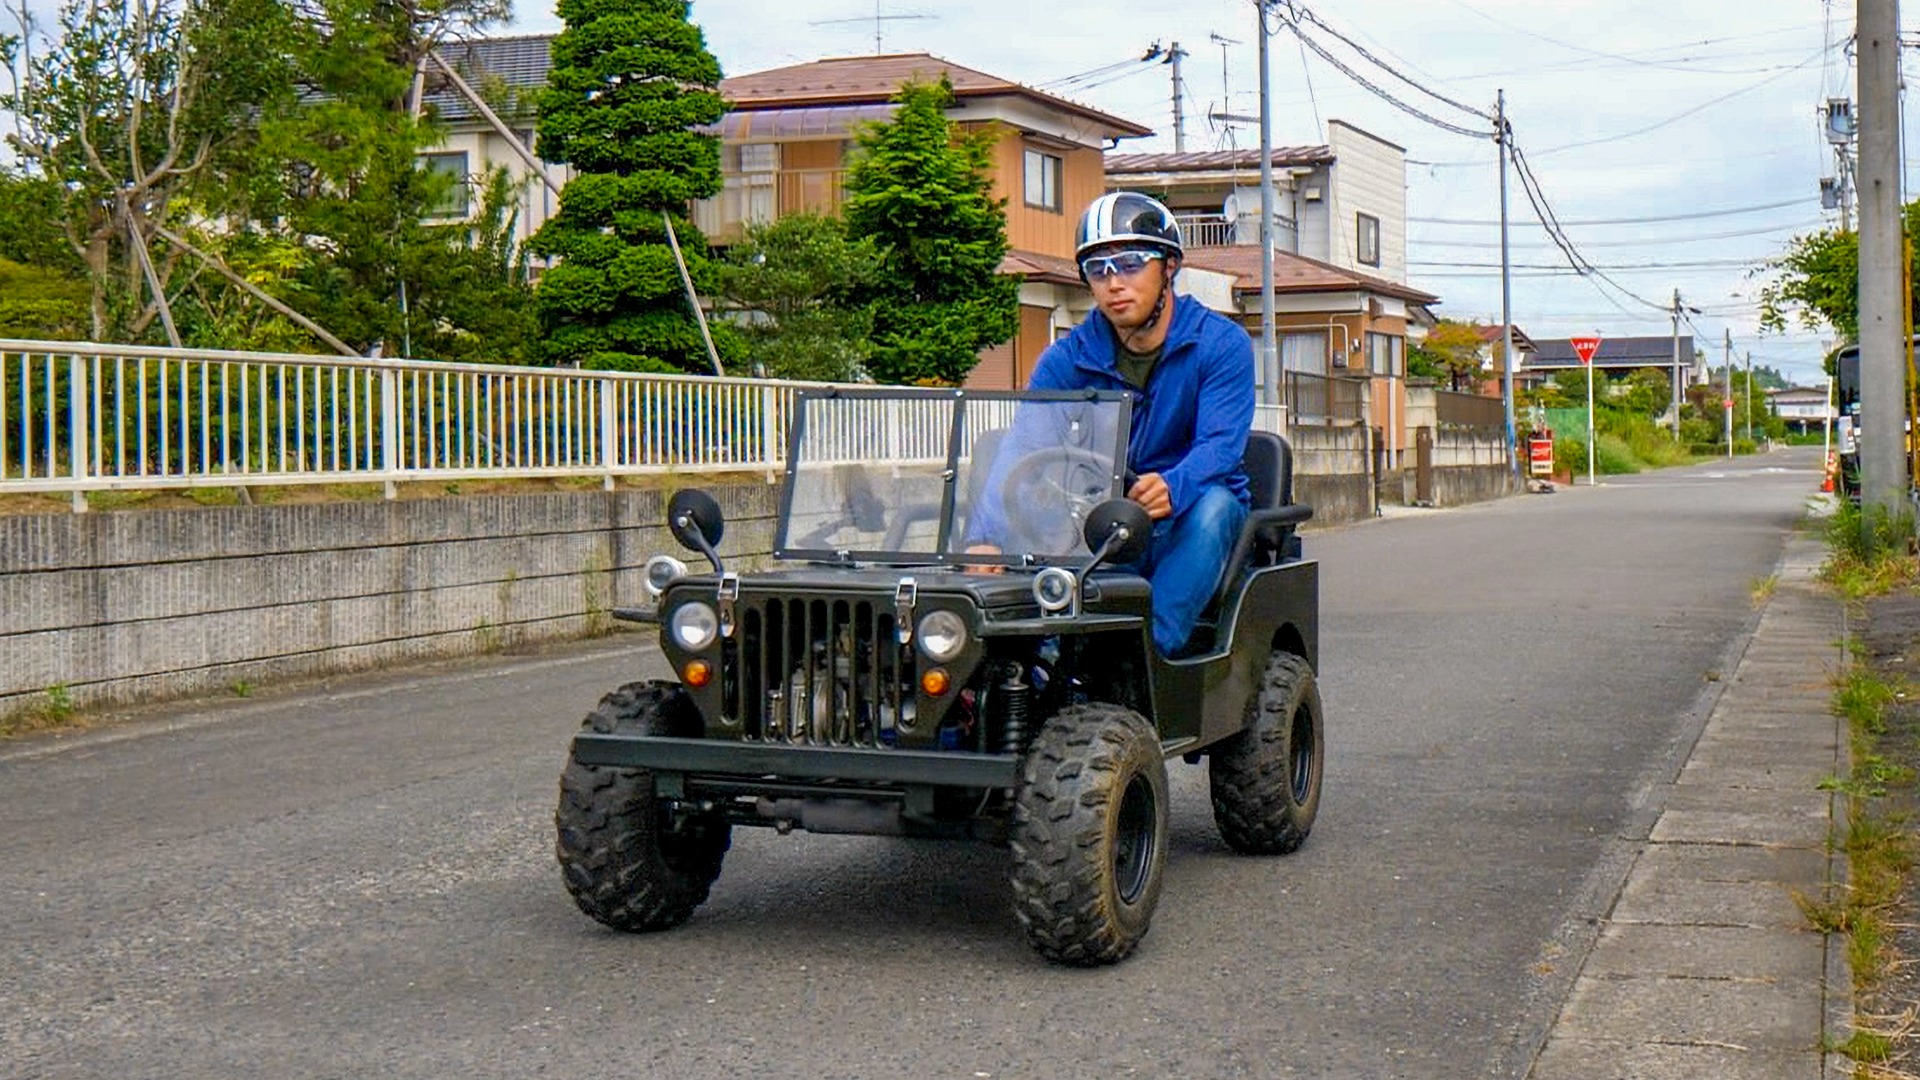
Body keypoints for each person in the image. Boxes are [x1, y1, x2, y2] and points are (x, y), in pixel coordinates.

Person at [969, 191, 1254, 657]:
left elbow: (1221, 446)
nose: (1114, 283)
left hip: (1182, 516)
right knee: (1033, 511)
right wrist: (985, 538)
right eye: (1098, 270)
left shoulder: (1221, 345)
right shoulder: (1067, 358)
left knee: (1217, 507)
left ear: (1169, 267)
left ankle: (1146, 658)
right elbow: (1024, 446)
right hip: (1097, 515)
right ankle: (1035, 658)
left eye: (1130, 264)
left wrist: (1174, 484)